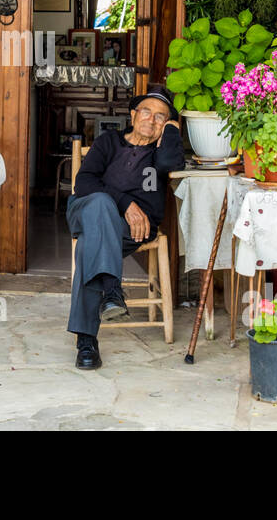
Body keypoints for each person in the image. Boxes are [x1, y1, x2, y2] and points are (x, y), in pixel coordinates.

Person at [65, 88, 185, 369]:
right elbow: (83, 183)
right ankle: (112, 288)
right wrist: (125, 203)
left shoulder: (159, 156)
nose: (152, 120)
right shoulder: (109, 142)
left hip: (131, 230)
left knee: (88, 245)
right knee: (100, 204)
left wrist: (171, 131)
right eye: (146, 111)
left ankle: (86, 341)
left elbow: (170, 163)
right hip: (85, 212)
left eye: (161, 117)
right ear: (132, 114)